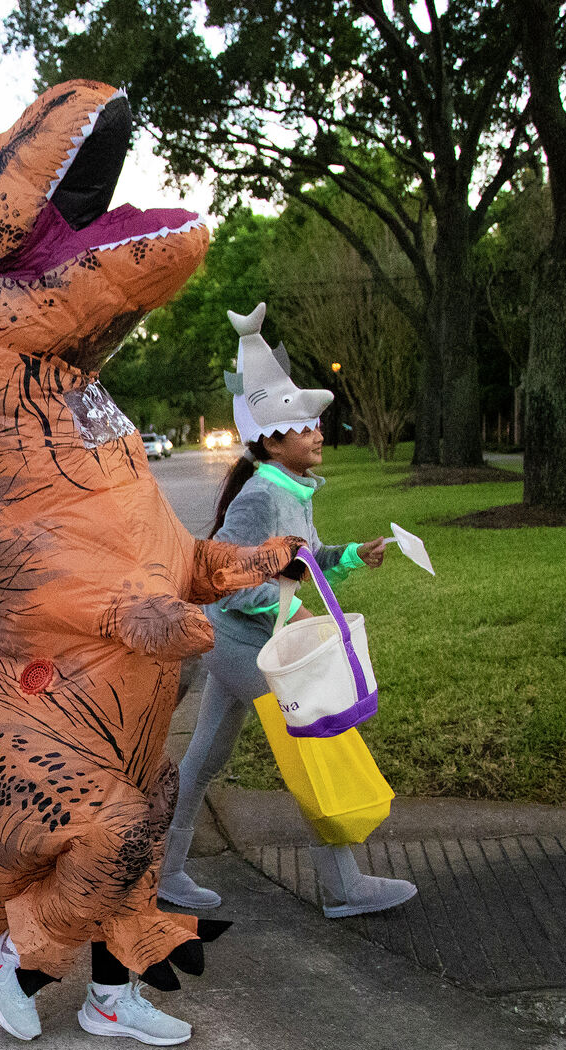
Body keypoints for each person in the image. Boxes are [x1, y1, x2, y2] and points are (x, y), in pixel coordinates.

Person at [157, 302, 417, 929]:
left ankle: (161, 873)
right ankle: (341, 886)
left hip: (240, 644)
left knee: (203, 760)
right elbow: (233, 585)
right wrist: (290, 608)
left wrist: (354, 554)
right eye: (306, 427)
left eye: (317, 425)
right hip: (240, 642)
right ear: (273, 438)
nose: (319, 434)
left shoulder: (291, 491)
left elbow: (303, 559)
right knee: (318, 738)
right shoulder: (260, 495)